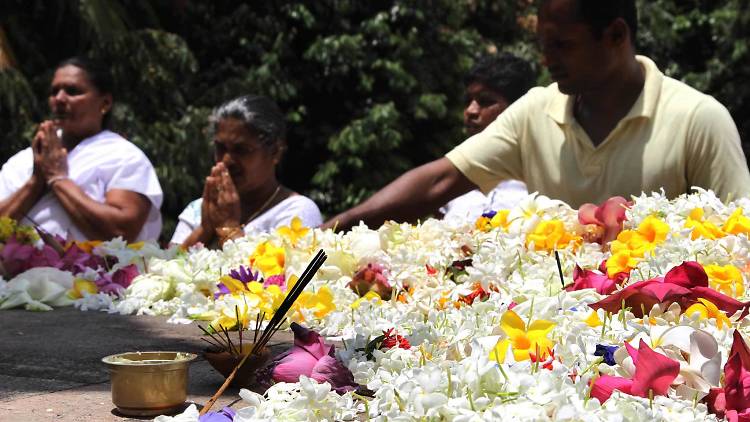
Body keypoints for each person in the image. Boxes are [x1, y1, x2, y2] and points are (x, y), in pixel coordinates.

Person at [324, 0, 750, 231]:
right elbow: (441, 179)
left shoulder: (700, 119)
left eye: (562, 46)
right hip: (555, 338)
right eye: (543, 45)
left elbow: (739, 240)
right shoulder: (533, 111)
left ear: (616, 35)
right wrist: (332, 229)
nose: (546, 60)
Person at [0, 57, 163, 242]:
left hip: (93, 271)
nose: (59, 99)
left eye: (72, 91)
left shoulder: (125, 157)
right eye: (54, 92)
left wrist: (58, 179)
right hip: (15, 271)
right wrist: (35, 182)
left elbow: (121, 232)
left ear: (105, 103)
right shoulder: (22, 162)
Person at [171, 95, 322, 247]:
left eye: (241, 150)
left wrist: (228, 227)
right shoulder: (199, 209)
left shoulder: (296, 212)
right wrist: (206, 228)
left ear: (275, 152)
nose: (226, 160)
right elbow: (164, 268)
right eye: (220, 148)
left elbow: (284, 270)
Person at [440, 53, 535, 222]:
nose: (471, 111)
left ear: (518, 109)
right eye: (468, 100)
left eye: (485, 101)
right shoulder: (452, 181)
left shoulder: (541, 182)